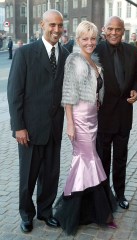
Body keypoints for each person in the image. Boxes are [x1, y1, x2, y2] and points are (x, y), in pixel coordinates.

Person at [7, 9, 69, 233]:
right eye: (52, 25)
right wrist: (18, 127)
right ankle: (26, 215)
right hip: (30, 130)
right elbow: (14, 93)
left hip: (54, 127)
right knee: (28, 177)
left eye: (59, 25)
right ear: (42, 25)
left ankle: (45, 211)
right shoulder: (25, 53)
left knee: (51, 174)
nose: (56, 29)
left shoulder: (66, 53)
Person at [54, 20, 117, 236]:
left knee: (89, 161)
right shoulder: (74, 60)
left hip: (93, 118)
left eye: (92, 38)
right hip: (80, 121)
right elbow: (68, 95)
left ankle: (86, 211)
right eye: (85, 39)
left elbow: (95, 90)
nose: (89, 42)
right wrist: (70, 123)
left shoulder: (93, 62)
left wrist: (97, 101)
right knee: (86, 161)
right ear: (78, 40)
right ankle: (87, 212)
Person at [95, 16, 137, 209]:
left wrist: (136, 89)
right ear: (104, 30)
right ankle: (104, 195)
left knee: (121, 158)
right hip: (103, 116)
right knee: (103, 158)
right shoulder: (95, 51)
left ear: (123, 31)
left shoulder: (134, 52)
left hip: (124, 116)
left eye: (118, 29)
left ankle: (120, 194)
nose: (113, 33)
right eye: (110, 29)